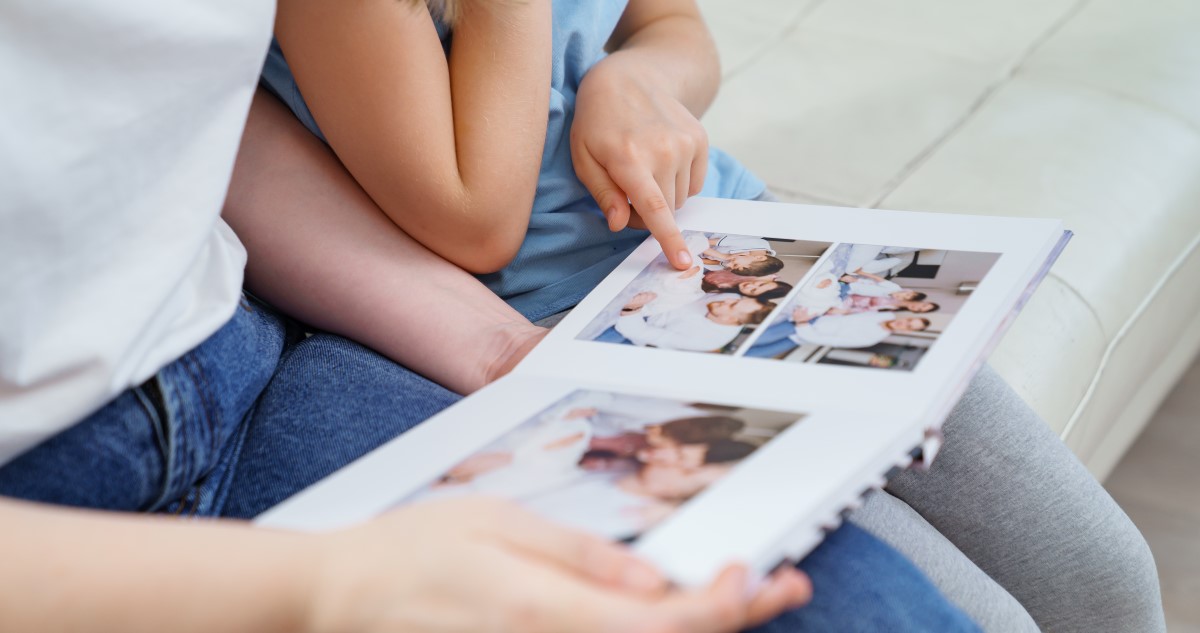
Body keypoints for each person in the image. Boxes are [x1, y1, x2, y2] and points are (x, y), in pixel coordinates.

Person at [0, 2, 993, 631]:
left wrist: (497, 352)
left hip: (233, 356)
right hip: (49, 498)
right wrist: (317, 591)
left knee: (869, 609)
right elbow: (476, 214)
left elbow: (198, 136)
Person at [616, 294, 775, 352]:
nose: (728, 299)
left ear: (731, 320)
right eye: (738, 299)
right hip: (654, 299)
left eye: (732, 305)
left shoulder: (707, 341)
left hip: (632, 325)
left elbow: (640, 333)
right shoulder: (729, 296)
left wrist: (632, 308)